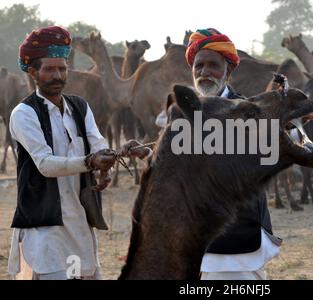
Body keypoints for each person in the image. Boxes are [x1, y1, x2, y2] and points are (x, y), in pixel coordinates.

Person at [7, 26, 150, 280]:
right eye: (49, 69)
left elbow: (97, 145)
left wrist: (117, 154)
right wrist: (91, 161)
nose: (58, 75)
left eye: (62, 69)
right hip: (45, 229)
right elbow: (45, 164)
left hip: (79, 224)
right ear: (33, 72)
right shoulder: (24, 114)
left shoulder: (79, 108)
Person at [158, 28, 282, 280]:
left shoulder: (249, 111)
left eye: (213, 65)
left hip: (234, 237)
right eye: (199, 65)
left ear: (228, 70)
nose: (204, 72)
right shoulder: (181, 113)